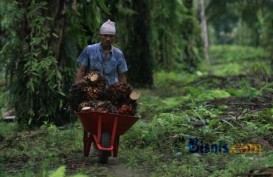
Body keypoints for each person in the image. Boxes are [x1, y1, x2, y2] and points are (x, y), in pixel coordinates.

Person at [75, 19, 128, 85]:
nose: (108, 39)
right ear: (100, 35)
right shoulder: (89, 50)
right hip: (92, 89)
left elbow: (121, 75)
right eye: (105, 35)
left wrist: (124, 92)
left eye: (111, 36)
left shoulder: (118, 54)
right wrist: (77, 87)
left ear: (114, 37)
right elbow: (81, 70)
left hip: (111, 89)